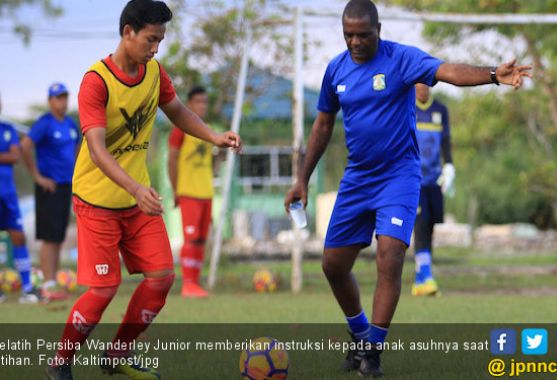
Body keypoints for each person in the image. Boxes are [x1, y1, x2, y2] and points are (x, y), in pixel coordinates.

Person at [283, 0, 531, 377]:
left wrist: (493, 74)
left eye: (362, 34)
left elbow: (447, 71)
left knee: (390, 257)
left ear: (378, 29)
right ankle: (360, 334)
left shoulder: (401, 60)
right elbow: (322, 126)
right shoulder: (335, 70)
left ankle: (373, 353)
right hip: (358, 178)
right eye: (348, 35)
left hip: (399, 176)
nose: (355, 42)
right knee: (333, 265)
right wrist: (302, 178)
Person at [45, 1, 241, 379]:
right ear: (128, 32)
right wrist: (136, 188)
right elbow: (98, 151)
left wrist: (214, 136)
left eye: (161, 41)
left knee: (163, 278)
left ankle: (116, 354)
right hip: (98, 201)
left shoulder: (154, 73)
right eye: (151, 40)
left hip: (138, 202)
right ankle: (60, 363)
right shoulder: (96, 81)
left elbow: (179, 111)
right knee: (103, 290)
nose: (155, 49)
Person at [21, 83, 80, 302]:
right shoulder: (44, 123)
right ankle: (47, 283)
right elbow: (25, 146)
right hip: (49, 186)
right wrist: (37, 177)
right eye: (58, 98)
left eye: (64, 97)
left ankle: (52, 281)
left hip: (66, 186)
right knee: (48, 236)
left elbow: (78, 150)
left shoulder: (71, 124)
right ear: (50, 101)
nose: (62, 102)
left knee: (59, 235)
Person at [168, 86, 213, 298]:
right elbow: (172, 159)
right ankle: (187, 283)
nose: (202, 106)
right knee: (191, 239)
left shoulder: (207, 130)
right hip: (188, 193)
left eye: (205, 102)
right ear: (189, 104)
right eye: (198, 102)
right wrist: (176, 190)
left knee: (201, 240)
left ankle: (195, 282)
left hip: (207, 193)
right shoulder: (180, 129)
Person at [412, 83, 454, 296]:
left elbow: (446, 141)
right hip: (413, 180)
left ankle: (420, 279)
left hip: (434, 179)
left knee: (429, 226)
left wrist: (449, 166)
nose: (422, 90)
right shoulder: (407, 108)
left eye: (425, 85)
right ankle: (426, 276)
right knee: (419, 225)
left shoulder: (440, 110)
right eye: (418, 86)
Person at [0, 93, 40, 304]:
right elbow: (9, 155)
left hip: (7, 193)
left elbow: (15, 155)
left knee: (18, 236)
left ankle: (27, 288)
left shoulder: (6, 129)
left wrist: (7, 156)